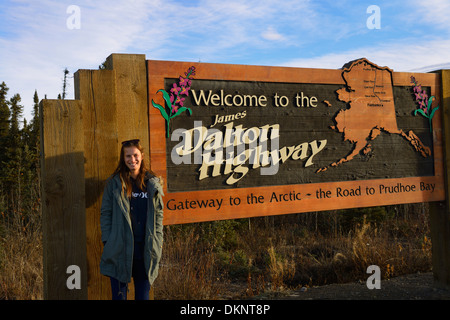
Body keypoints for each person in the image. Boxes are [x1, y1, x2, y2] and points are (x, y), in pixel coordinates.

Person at [99, 139, 164, 300]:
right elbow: (105, 213)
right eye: (128, 156)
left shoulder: (152, 184)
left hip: (145, 251)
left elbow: (158, 216)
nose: (132, 159)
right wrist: (108, 241)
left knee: (143, 296)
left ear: (141, 156)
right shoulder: (114, 183)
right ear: (123, 158)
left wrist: (158, 240)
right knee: (119, 296)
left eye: (135, 155)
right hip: (120, 249)